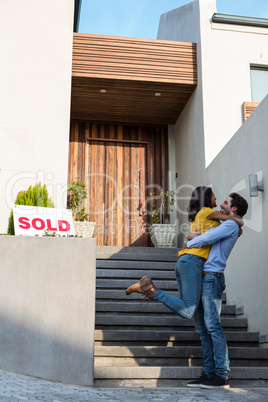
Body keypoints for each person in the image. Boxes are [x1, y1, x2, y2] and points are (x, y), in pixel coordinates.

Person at [125, 186, 243, 320]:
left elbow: (204, 234)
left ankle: (150, 289)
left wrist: (188, 237)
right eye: (213, 195)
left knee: (186, 306)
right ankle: (150, 290)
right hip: (194, 261)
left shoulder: (199, 214)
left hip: (186, 260)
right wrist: (239, 225)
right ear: (206, 197)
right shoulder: (208, 212)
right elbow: (235, 221)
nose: (216, 198)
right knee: (188, 311)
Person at [186, 192, 248, 389]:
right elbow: (203, 234)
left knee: (212, 326)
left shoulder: (229, 225)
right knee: (203, 329)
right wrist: (191, 236)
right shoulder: (229, 224)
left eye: (225, 203)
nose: (221, 205)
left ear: (234, 208)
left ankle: (221, 374)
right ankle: (208, 373)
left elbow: (201, 240)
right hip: (204, 275)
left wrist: (190, 239)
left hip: (212, 277)